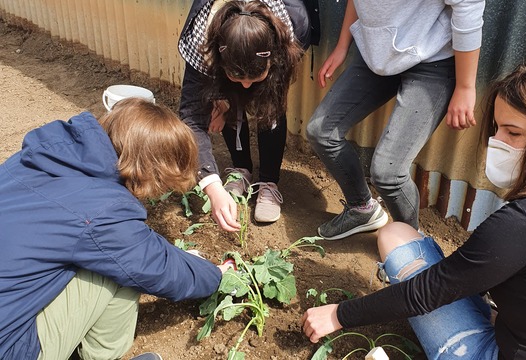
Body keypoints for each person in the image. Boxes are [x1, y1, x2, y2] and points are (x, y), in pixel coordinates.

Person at [302, 60, 526, 359]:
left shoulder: (518, 226)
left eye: (513, 133)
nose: (496, 143)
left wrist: (339, 315)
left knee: (397, 240)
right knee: (397, 233)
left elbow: (427, 292)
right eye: (496, 129)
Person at [0, 98, 232, 360]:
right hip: (12, 348)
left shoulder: (37, 159)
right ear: (151, 170)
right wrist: (215, 275)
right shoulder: (101, 208)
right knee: (120, 272)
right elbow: (154, 267)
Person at [306, 0, 485, 240]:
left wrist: (465, 86)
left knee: (388, 174)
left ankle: (411, 245)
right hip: (376, 54)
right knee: (320, 131)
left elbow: (468, 8)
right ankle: (362, 209)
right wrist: (342, 46)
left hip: (431, 58)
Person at [177, 0, 311, 230]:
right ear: (218, 60)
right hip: (218, 47)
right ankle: (241, 169)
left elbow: (269, 83)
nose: (247, 86)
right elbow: (191, 120)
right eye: (237, 77)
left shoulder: (292, 28)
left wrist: (249, 86)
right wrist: (212, 186)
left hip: (279, 34)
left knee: (270, 104)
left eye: (255, 77)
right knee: (230, 97)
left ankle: (268, 181)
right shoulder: (201, 43)